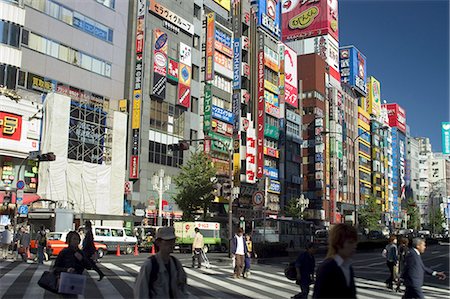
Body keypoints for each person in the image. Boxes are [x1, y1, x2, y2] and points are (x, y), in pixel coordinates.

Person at [134, 226, 188, 298]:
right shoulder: (150, 264)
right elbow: (141, 292)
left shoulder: (176, 264)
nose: (171, 244)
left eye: (173, 241)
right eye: (167, 241)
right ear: (158, 242)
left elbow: (182, 287)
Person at [312, 224, 357, 299]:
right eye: (350, 242)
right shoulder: (327, 268)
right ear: (338, 244)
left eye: (355, 242)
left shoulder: (348, 267)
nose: (354, 246)